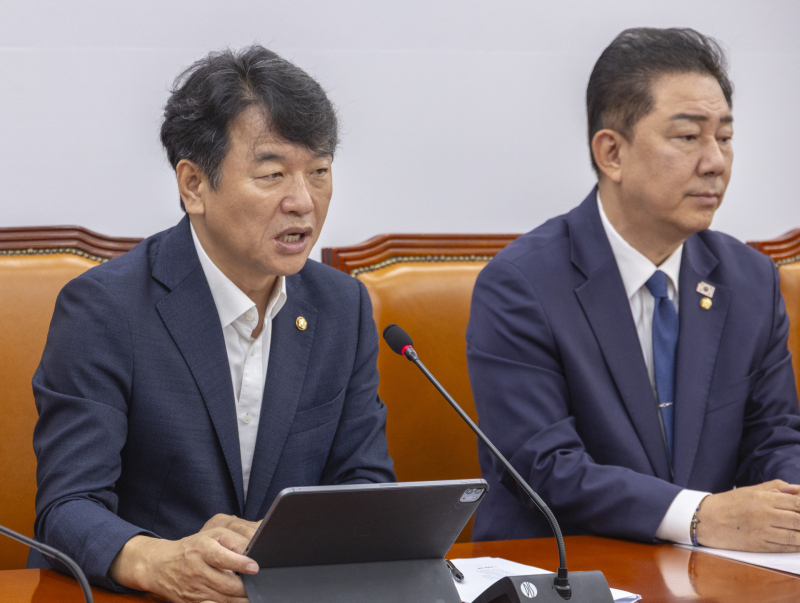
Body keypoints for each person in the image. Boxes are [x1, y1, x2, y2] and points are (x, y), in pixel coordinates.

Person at [30, 45, 395, 601]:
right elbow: (67, 506)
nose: (303, 202)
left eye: (319, 172)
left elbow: (364, 484)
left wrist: (290, 549)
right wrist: (157, 560)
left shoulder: (341, 306)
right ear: (194, 185)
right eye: (272, 174)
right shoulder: (105, 309)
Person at [467, 28, 800, 552]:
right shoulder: (521, 286)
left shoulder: (750, 281)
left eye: (724, 137)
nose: (715, 161)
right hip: (566, 568)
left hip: (710, 572)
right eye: (688, 137)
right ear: (612, 153)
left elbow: (775, 439)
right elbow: (546, 468)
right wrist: (698, 515)